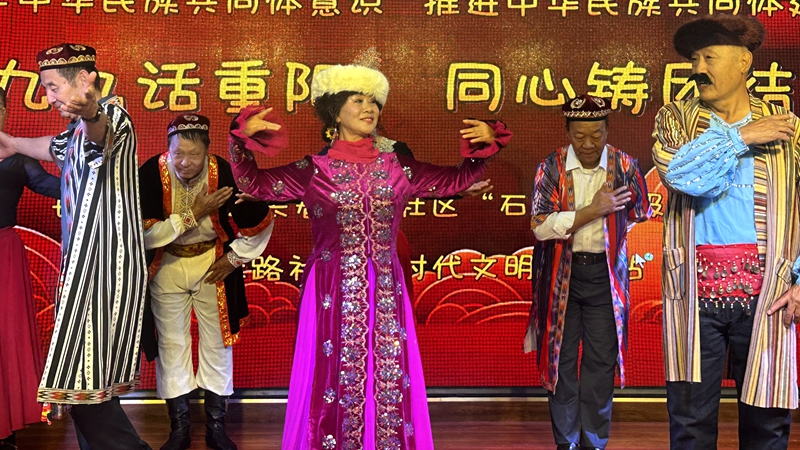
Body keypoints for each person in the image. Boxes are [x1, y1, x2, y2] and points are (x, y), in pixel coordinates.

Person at [228, 60, 511, 449]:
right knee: (332, 373)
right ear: (335, 111)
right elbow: (254, 184)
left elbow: (458, 179)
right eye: (358, 100)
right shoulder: (314, 169)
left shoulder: (399, 168)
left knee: (387, 373)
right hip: (330, 288)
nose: (369, 108)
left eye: (373, 102)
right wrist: (240, 142)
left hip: (385, 287)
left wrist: (484, 146)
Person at [652, 15, 800, 449]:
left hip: (769, 293)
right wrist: (743, 136)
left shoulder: (786, 128)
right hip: (692, 292)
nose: (698, 68)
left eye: (709, 57)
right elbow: (681, 175)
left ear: (743, 62)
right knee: (690, 424)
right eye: (694, 59)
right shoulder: (676, 119)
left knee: (767, 426)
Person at [0, 44, 151, 449]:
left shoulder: (112, 117)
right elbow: (51, 147)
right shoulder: (74, 133)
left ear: (84, 80)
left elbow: (101, 132)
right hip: (86, 266)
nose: (48, 97)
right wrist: (10, 142)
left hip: (103, 268)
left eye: (53, 87)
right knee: (90, 380)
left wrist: (90, 110)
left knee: (78, 381)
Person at [138, 114, 274, 450]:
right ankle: (179, 428)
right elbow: (143, 235)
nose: (185, 162)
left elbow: (259, 215)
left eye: (194, 155)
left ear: (207, 151)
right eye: (178, 154)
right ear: (168, 149)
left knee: (217, 342)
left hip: (211, 262)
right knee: (172, 344)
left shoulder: (224, 172)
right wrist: (192, 213)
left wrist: (234, 259)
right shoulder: (151, 172)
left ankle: (216, 425)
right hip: (167, 262)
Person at [525, 94, 651, 450]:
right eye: (579, 135)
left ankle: (594, 442)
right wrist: (592, 212)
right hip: (561, 277)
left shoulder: (624, 166)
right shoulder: (551, 167)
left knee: (599, 363)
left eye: (596, 134)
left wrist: (614, 229)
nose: (588, 143)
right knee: (561, 362)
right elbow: (540, 226)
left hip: (604, 278)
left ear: (607, 130)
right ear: (568, 132)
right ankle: (566, 442)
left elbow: (641, 211)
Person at [0, 86, 60, 449]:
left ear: (6, 111)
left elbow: (54, 186)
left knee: (7, 339)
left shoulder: (18, 157)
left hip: (5, 254)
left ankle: (5, 428)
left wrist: (93, 177)